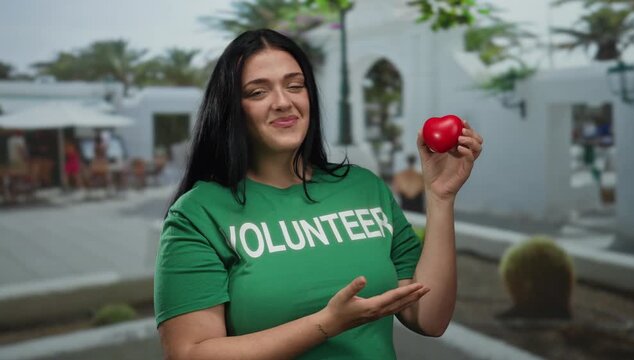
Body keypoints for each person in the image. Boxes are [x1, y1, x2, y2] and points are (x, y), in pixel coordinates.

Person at [155, 29, 483, 360]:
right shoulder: (197, 214)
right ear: (230, 109)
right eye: (258, 92)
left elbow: (429, 317)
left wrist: (440, 198)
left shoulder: (364, 188)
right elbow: (189, 353)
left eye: (295, 85)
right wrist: (327, 323)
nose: (284, 102)